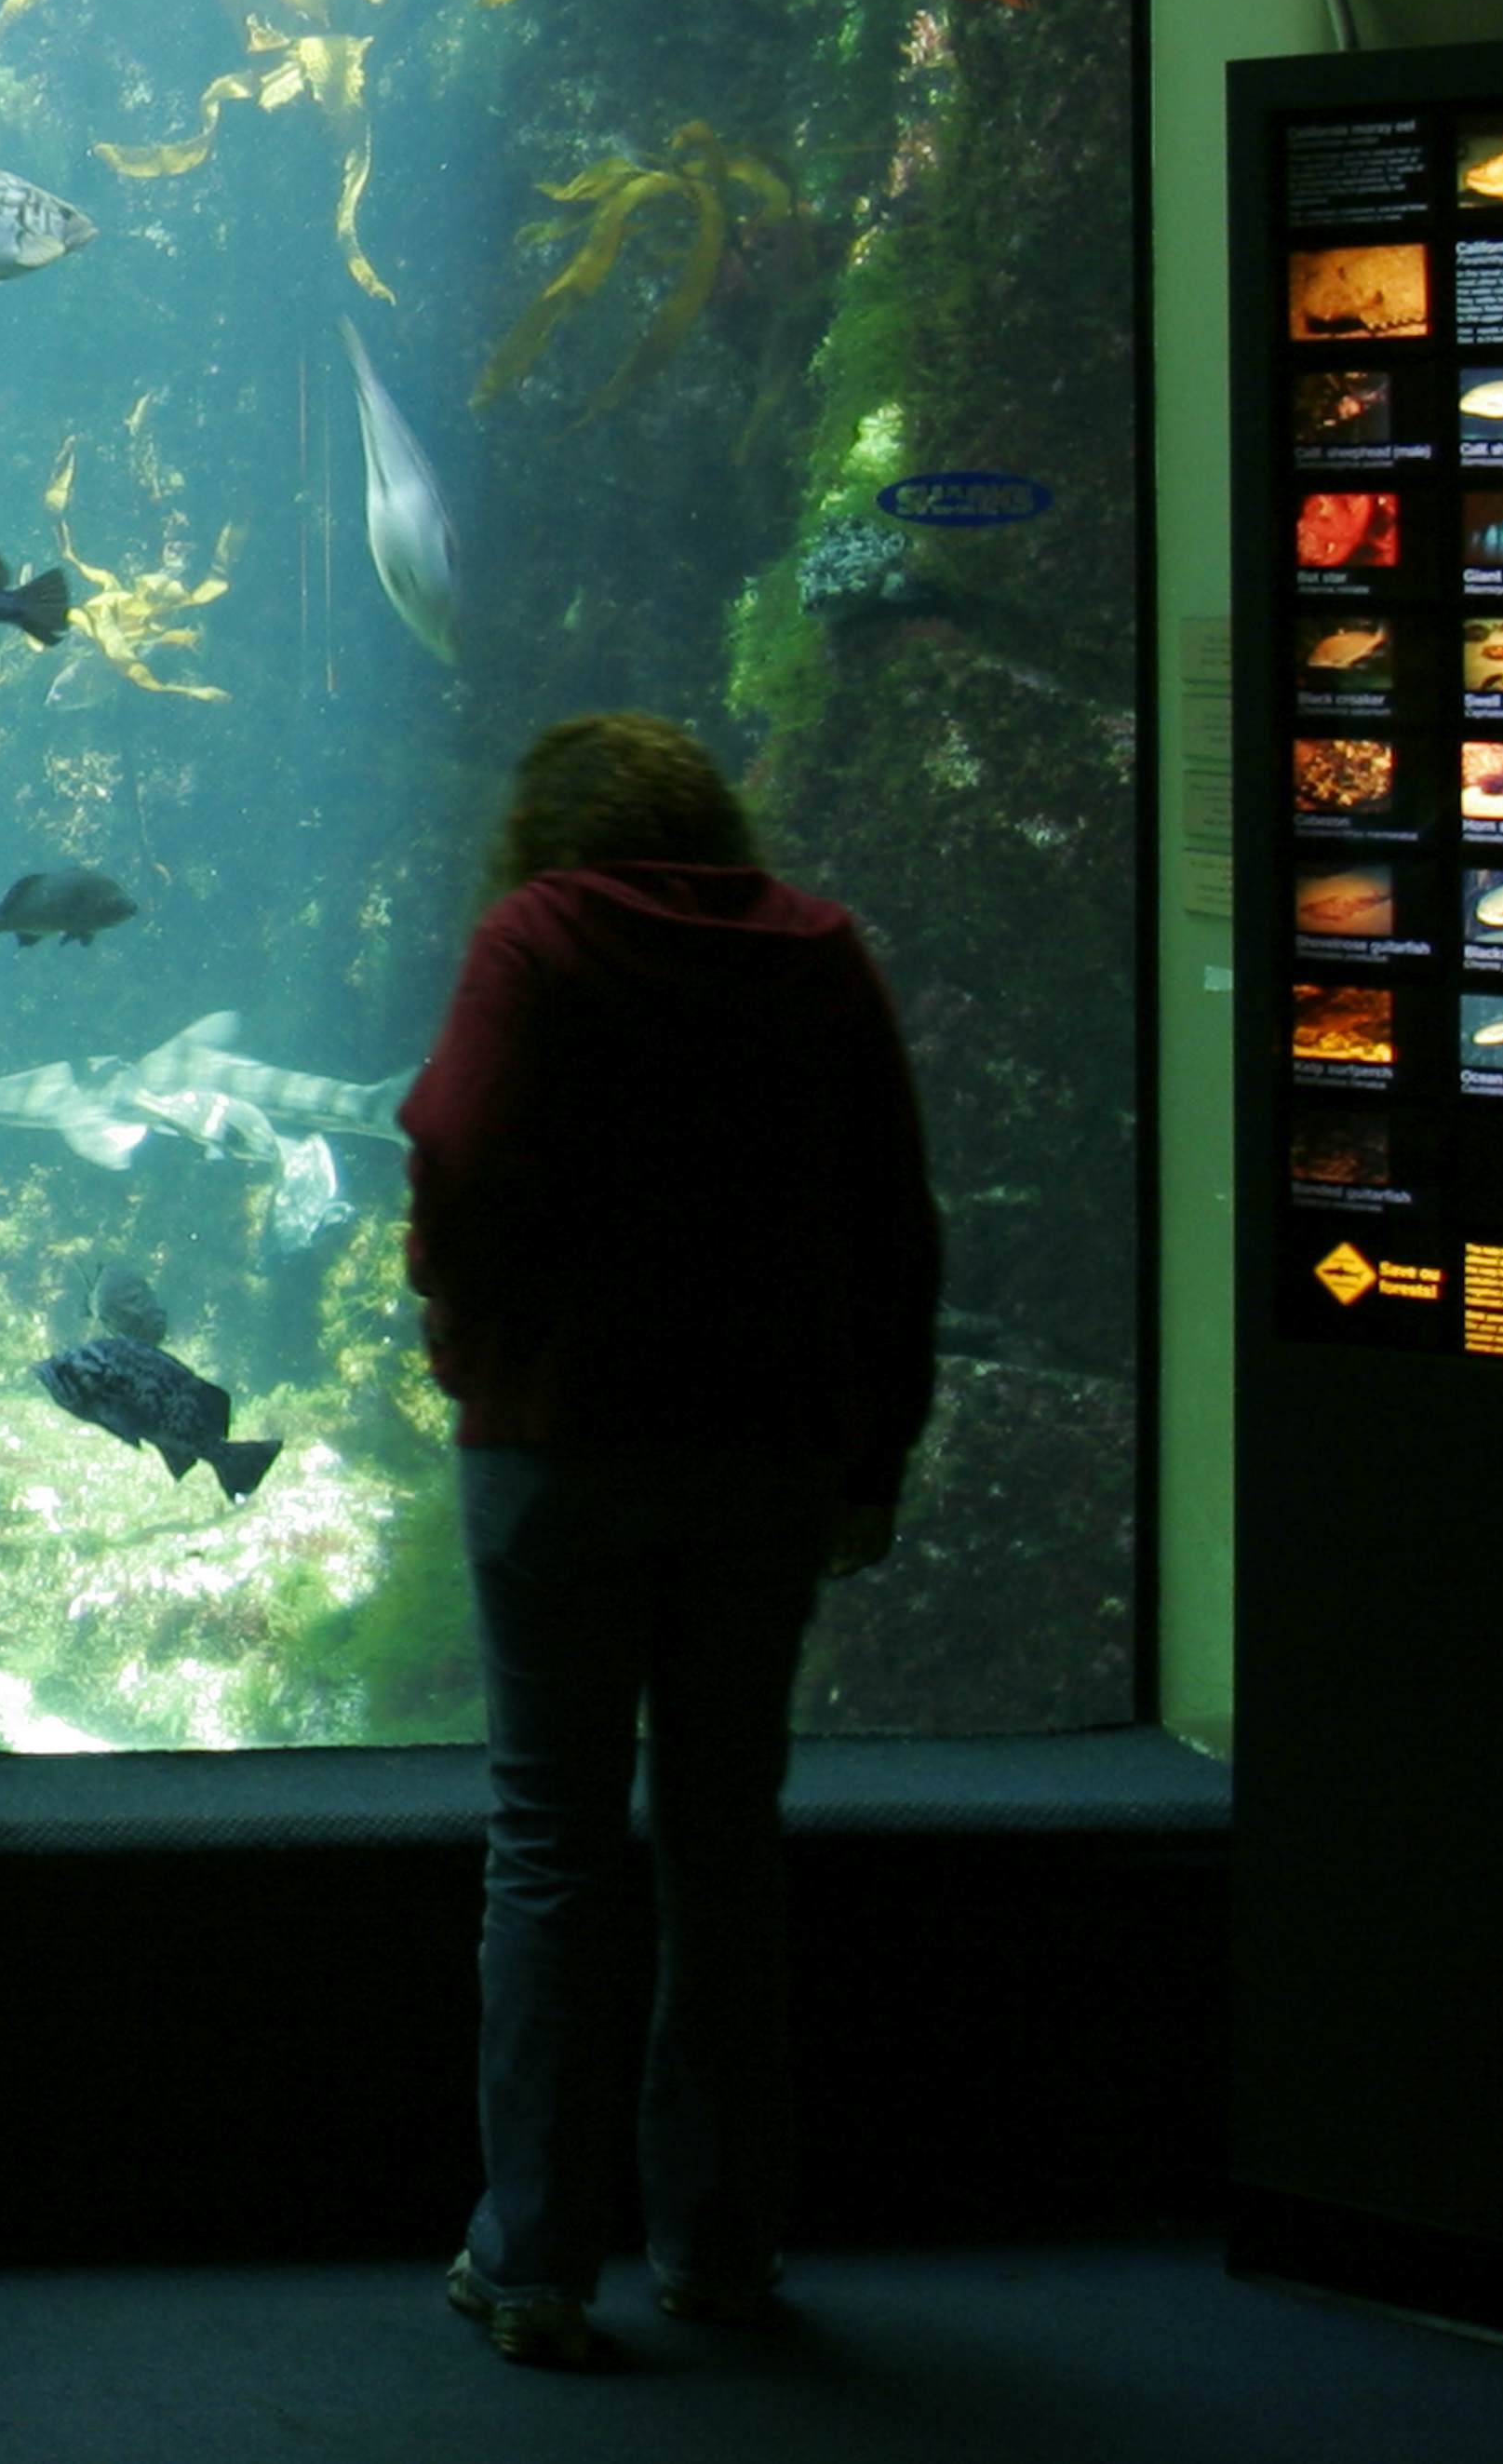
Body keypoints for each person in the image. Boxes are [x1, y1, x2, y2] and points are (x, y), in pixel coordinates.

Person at [399, 713, 935, 2371]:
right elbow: (892, 1215)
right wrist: (878, 1444)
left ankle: (537, 2256)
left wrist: (463, 1330)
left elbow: (457, 1140)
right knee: (723, 1834)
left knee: (552, 1836)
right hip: (767, 1448)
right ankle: (718, 2242)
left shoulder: (536, 935)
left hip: (558, 1437)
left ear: (539, 830)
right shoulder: (819, 951)